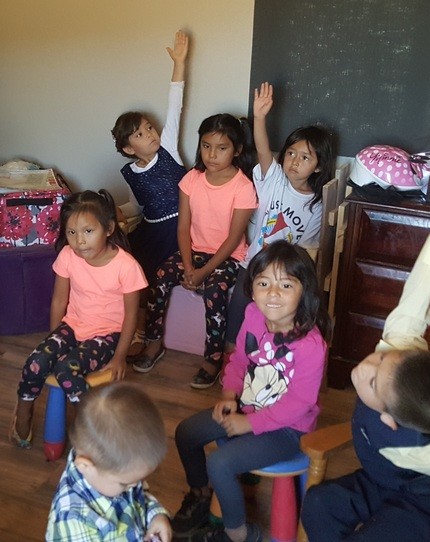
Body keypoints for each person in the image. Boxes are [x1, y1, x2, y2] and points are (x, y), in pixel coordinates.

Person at [301, 176, 430, 542]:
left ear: (389, 419)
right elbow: (421, 283)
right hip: (382, 480)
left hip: (428, 504)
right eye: (382, 360)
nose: (367, 365)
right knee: (320, 504)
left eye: (374, 381)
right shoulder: (400, 346)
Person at [171, 240, 333, 542]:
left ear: (305, 291)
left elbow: (300, 403)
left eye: (286, 285)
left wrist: (249, 423)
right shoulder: (253, 315)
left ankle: (240, 535)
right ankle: (199, 494)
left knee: (220, 463)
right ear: (252, 287)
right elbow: (239, 361)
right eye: (263, 283)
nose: (273, 293)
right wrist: (229, 396)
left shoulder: (311, 345)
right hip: (247, 408)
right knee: (186, 432)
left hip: (289, 430)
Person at [9, 190, 147, 449]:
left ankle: (91, 427)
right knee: (37, 361)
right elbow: (59, 301)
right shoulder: (67, 255)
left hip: (107, 334)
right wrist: (54, 340)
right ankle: (25, 409)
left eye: (88, 231)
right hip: (72, 326)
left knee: (66, 370)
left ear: (108, 229)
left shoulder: (126, 266)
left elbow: (131, 315)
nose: (79, 241)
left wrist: (120, 356)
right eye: (71, 232)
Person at [131, 113, 258, 388]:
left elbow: (233, 239)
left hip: (228, 257)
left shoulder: (243, 187)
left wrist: (203, 273)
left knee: (215, 291)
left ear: (237, 150)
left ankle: (212, 359)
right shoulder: (191, 179)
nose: (212, 154)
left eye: (221, 148)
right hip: (194, 251)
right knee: (160, 277)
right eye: (206, 146)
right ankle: (153, 343)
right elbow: (183, 227)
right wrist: (189, 267)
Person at [224, 81, 336, 358]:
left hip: (285, 276)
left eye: (305, 158)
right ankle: (231, 364)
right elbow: (263, 150)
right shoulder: (274, 179)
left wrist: (289, 281)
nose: (294, 161)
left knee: (273, 327)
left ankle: (267, 365)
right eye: (291, 153)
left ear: (319, 166)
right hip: (253, 265)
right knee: (237, 321)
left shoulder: (316, 205)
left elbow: (307, 251)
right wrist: (259, 117)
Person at [111, 30, 189, 358]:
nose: (150, 134)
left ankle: (149, 333)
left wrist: (179, 64)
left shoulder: (168, 149)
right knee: (130, 267)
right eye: (141, 135)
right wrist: (119, 211)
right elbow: (138, 206)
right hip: (152, 230)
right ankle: (133, 326)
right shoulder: (131, 172)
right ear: (129, 148)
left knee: (158, 277)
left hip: (179, 228)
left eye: (149, 128)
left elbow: (175, 106)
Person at [46, 382, 171, 542]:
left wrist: (156, 515)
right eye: (125, 484)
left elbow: (139, 498)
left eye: (138, 481)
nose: (135, 486)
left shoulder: (114, 474)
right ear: (85, 466)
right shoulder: (73, 521)